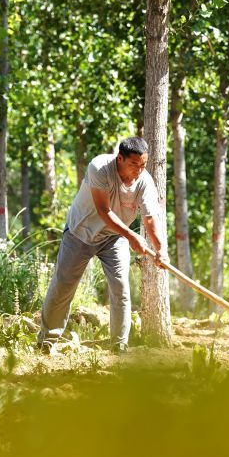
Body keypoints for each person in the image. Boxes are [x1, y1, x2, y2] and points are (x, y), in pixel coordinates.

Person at [38, 136, 169, 353]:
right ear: (120, 158)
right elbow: (103, 211)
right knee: (63, 286)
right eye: (133, 164)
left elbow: (150, 218)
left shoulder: (144, 180)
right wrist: (132, 237)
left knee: (120, 287)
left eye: (143, 165)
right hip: (81, 233)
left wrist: (161, 248)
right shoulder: (99, 168)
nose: (139, 170)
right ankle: (47, 341)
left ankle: (119, 345)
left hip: (114, 238)